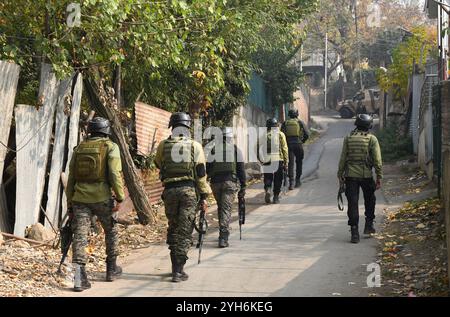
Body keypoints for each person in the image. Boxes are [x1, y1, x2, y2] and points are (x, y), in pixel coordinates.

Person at [67, 117, 125, 292]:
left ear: (90, 131)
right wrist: (120, 196)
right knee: (112, 231)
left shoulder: (79, 149)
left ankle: (78, 279)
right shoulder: (110, 147)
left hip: (80, 200)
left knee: (80, 237)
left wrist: (70, 201)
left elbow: (71, 178)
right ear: (106, 131)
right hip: (102, 199)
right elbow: (114, 173)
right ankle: (111, 269)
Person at [154, 112, 211, 282]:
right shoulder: (195, 146)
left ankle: (175, 267)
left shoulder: (163, 145)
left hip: (170, 192)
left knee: (173, 227)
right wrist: (204, 196)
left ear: (172, 127)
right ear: (188, 128)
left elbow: (158, 163)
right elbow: (201, 174)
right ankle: (178, 271)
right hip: (188, 192)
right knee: (185, 231)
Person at [337, 114, 383, 244]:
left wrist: (340, 174)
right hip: (366, 176)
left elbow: (343, 158)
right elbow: (377, 160)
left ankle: (354, 231)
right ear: (369, 126)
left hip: (350, 176)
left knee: (353, 203)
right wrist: (379, 176)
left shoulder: (348, 138)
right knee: (370, 200)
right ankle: (369, 225)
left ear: (356, 124)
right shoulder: (372, 139)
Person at [206, 127, 247, 248]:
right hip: (229, 182)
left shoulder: (213, 150)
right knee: (225, 209)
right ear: (230, 138)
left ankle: (222, 231)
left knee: (221, 207)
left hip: (216, 183)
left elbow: (208, 168)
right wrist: (243, 186)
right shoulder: (235, 150)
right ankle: (223, 237)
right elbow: (241, 169)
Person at [259, 118, 288, 204]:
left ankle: (268, 189)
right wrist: (286, 162)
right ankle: (275, 197)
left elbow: (256, 147)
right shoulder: (280, 134)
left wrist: (260, 158)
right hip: (278, 159)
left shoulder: (264, 135)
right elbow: (284, 149)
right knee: (278, 179)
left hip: (267, 159)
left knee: (268, 177)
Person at [281, 109, 310, 190]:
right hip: (298, 144)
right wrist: (302, 141)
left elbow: (281, 134)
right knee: (299, 162)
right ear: (297, 114)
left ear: (289, 114)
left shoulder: (285, 123)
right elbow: (307, 134)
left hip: (288, 145)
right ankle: (298, 181)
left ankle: (291, 183)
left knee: (290, 163)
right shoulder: (300, 122)